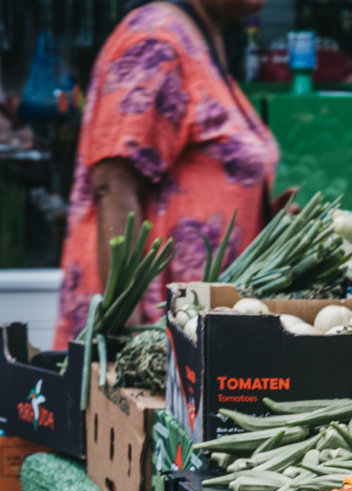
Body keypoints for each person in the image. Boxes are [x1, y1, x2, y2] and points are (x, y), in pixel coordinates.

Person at [53, 0, 283, 348]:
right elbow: (114, 183)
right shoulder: (156, 39)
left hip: (194, 333)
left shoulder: (198, 39)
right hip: (155, 336)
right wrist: (125, 343)